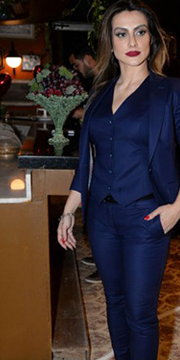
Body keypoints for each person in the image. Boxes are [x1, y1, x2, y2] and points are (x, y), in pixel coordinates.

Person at [56, 0, 180, 360]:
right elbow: (87, 163)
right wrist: (70, 209)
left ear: (152, 39)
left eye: (140, 32)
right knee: (115, 303)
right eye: (121, 33)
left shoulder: (170, 91)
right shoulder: (100, 95)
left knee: (140, 314)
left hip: (146, 218)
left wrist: (176, 206)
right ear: (111, 42)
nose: (132, 41)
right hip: (102, 219)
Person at [69, 46, 101, 283]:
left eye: (77, 64)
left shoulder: (108, 78)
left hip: (105, 154)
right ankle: (101, 256)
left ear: (88, 58)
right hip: (96, 150)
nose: (77, 70)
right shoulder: (99, 80)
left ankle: (105, 263)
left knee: (99, 208)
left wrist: (82, 114)